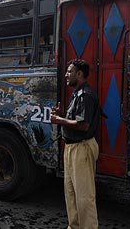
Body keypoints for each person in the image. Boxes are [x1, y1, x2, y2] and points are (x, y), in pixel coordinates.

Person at [50, 59, 101, 229]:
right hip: (72, 148)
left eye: (69, 71)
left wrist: (59, 120)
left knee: (84, 197)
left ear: (79, 74)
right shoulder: (77, 93)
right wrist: (62, 116)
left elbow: (83, 125)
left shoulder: (85, 94)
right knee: (71, 194)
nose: (66, 74)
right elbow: (76, 120)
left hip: (82, 148)